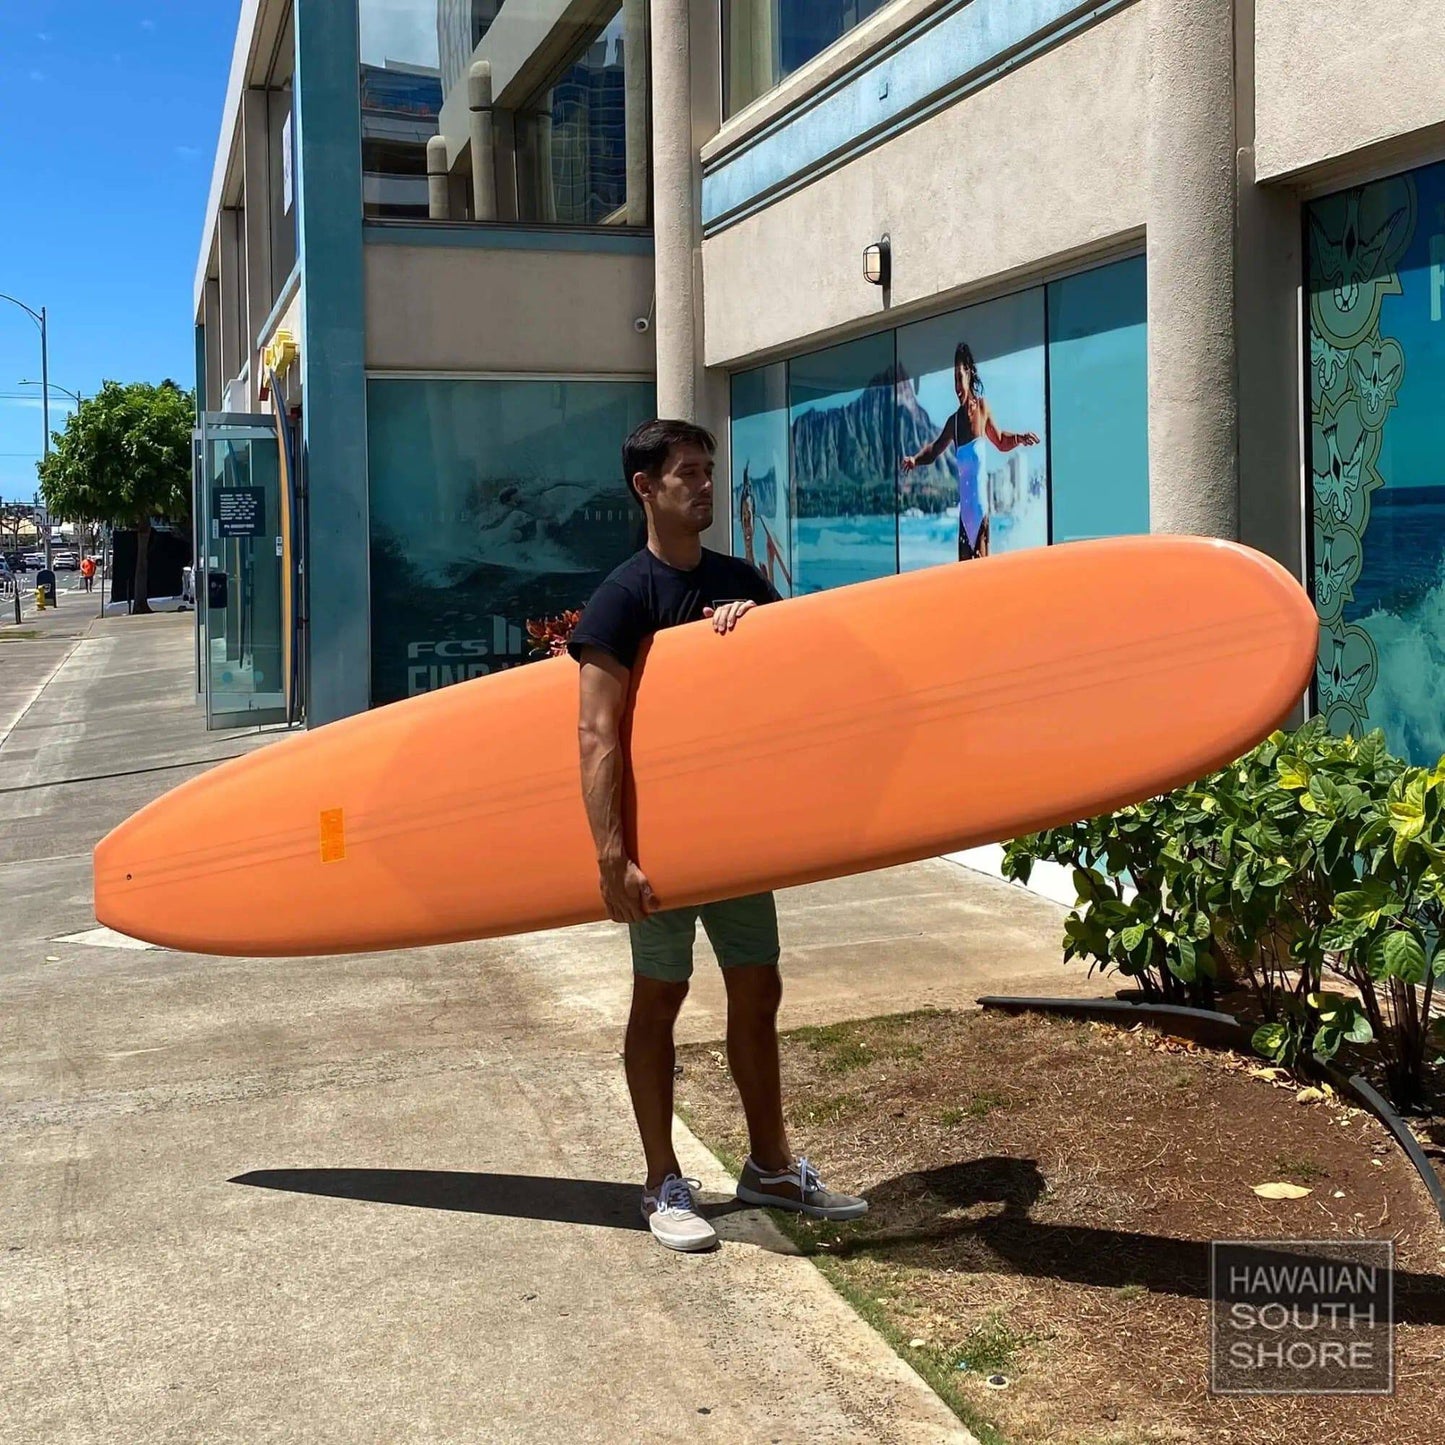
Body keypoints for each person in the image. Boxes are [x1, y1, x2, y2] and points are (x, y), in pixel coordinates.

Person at [568, 418, 868, 1253]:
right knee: (659, 1000)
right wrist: (609, 852)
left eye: (709, 470)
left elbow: (795, 694)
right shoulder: (623, 598)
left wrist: (754, 635)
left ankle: (769, 1165)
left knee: (757, 991)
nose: (704, 485)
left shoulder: (742, 582)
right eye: (687, 473)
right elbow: (597, 733)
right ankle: (661, 1178)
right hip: (660, 843)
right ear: (646, 488)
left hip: (732, 839)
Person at [901, 342, 1040, 561]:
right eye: (954, 380)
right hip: (964, 518)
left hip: (981, 513)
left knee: (982, 578)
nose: (957, 386)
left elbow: (1002, 440)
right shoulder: (954, 422)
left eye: (959, 378)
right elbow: (934, 450)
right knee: (963, 578)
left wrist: (1020, 438)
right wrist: (914, 460)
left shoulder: (983, 409)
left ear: (969, 374)